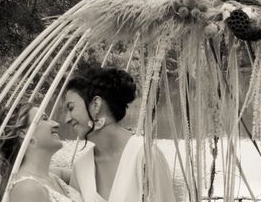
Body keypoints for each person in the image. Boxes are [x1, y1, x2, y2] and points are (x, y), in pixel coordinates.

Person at [65, 66, 177, 202]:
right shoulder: (80, 168)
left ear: (96, 105)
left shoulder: (145, 156)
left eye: (71, 108)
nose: (67, 119)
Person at [0, 102, 82, 202]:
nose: (56, 124)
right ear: (24, 133)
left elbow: (92, 172)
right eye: (44, 118)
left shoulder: (53, 175)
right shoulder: (27, 190)